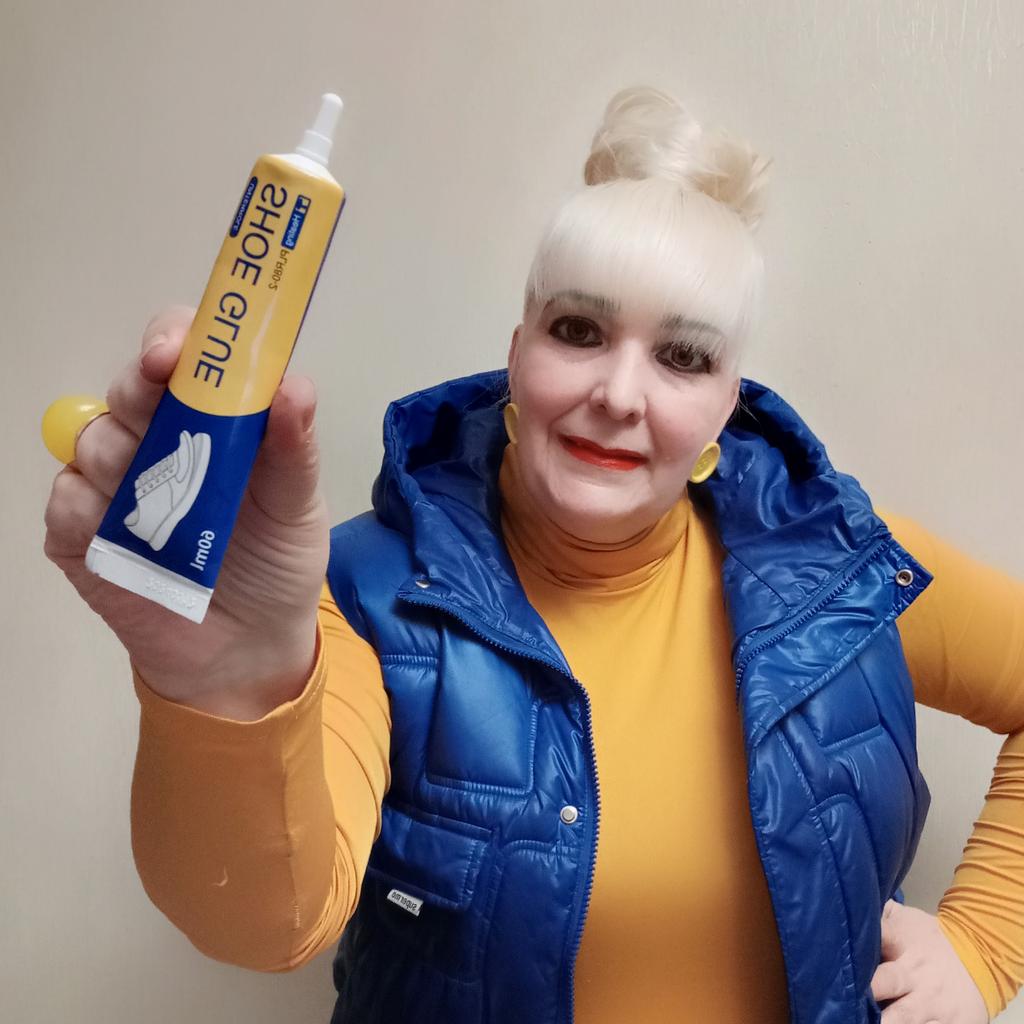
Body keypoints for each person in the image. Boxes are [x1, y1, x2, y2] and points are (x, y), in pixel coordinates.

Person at [43, 87, 1024, 1024]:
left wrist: (982, 946)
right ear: (518, 351)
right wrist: (227, 691)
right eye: (579, 331)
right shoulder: (362, 593)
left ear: (728, 404)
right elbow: (265, 921)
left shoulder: (848, 567)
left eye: (682, 356)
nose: (619, 395)